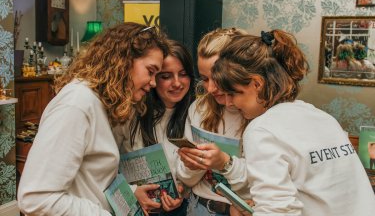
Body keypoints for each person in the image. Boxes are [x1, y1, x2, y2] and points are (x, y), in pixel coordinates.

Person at [207, 30, 375, 215]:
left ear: (257, 84)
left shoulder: (261, 130)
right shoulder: (323, 117)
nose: (229, 103)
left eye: (233, 93)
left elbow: (278, 212)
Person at [17, 22, 169, 215]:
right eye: (150, 71)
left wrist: (131, 193)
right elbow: (36, 198)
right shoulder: (77, 104)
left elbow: (92, 182)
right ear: (124, 60)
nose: (154, 83)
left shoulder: (103, 104)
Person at [113, 39, 195, 215]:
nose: (177, 83)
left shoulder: (196, 114)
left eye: (183, 74)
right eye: (166, 76)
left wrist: (182, 190)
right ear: (152, 78)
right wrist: (133, 191)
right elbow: (108, 169)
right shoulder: (130, 114)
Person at [176, 28, 250, 216]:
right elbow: (186, 179)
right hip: (198, 207)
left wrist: (224, 163)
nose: (210, 88)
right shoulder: (198, 109)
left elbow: (263, 185)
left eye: (217, 78)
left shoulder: (256, 114)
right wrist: (192, 166)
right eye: (204, 78)